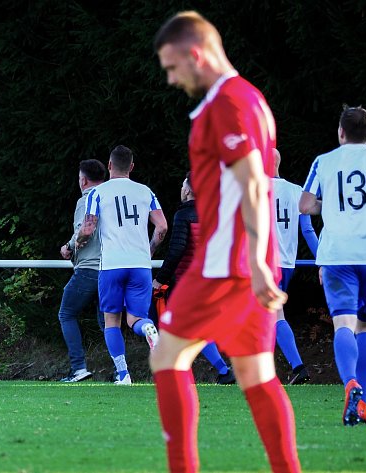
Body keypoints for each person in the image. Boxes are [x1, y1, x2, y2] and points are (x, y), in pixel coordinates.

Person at [151, 11, 301, 472]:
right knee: (256, 374)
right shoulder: (249, 98)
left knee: (167, 358)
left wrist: (254, 258)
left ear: (195, 54)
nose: (172, 79)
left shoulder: (227, 104)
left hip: (224, 264)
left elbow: (254, 181)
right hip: (246, 260)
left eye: (173, 67)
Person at [299, 105, 366, 425]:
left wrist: (331, 204)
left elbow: (306, 204)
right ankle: (361, 401)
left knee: (343, 325)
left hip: (336, 255)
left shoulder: (323, 162)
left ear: (341, 132)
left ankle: (349, 383)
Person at [77, 145, 167, 385]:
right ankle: (149, 329)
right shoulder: (145, 191)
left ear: (109, 166)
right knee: (136, 318)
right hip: (140, 265)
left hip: (112, 265)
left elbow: (88, 228)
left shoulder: (98, 193)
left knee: (112, 320)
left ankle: (123, 374)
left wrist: (77, 242)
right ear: (132, 167)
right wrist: (148, 250)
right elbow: (162, 227)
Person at [152, 172, 235, 385]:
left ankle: (223, 370)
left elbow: (177, 250)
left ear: (188, 190)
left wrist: (160, 278)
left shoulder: (184, 215)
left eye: (182, 185)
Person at [272, 148, 319, 385]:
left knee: (273, 315)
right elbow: (308, 230)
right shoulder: (296, 191)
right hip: (286, 264)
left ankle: (298, 367)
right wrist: (322, 259)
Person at [57, 159, 106, 383]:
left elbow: (83, 231)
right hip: (110, 269)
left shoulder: (86, 200)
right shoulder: (111, 198)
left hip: (88, 268)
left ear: (83, 179)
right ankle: (121, 369)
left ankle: (78, 367)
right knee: (108, 322)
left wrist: (68, 247)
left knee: (66, 313)